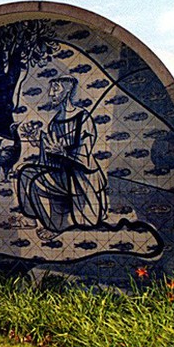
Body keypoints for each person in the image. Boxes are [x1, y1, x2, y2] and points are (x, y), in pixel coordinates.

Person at [16, 76, 107, 233]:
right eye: (51, 89)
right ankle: (32, 218)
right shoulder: (56, 120)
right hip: (61, 171)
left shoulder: (82, 117)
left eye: (55, 89)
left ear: (68, 90)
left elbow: (85, 150)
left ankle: (57, 226)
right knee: (25, 172)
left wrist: (64, 152)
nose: (51, 94)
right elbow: (50, 148)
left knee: (37, 179)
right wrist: (37, 139)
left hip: (79, 175)